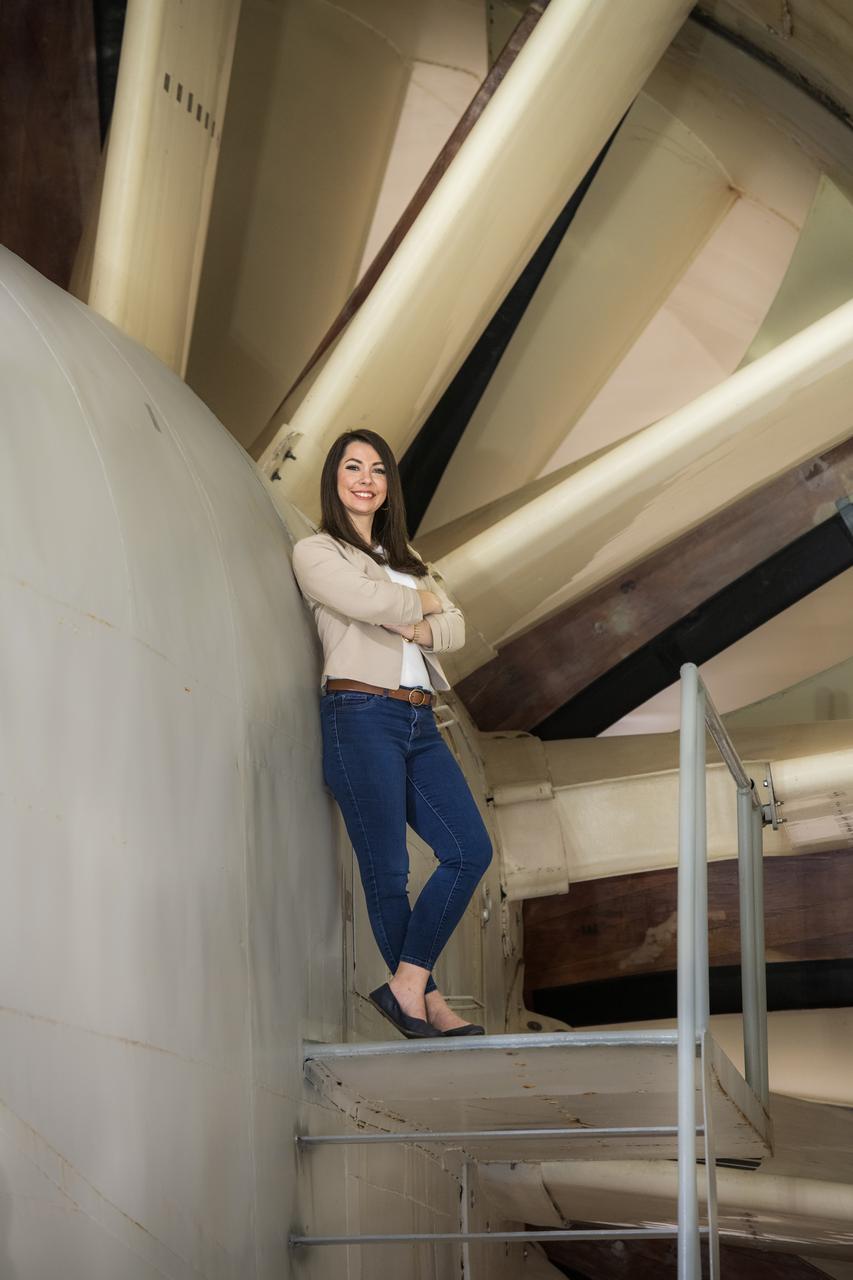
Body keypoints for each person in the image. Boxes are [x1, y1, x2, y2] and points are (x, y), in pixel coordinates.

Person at [291, 429, 493, 1039]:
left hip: (419, 720)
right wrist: (421, 606)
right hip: (359, 714)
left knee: (469, 849)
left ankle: (407, 986)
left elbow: (456, 628)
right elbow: (359, 599)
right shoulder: (316, 551)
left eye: (377, 470)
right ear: (334, 479)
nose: (365, 479)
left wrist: (416, 615)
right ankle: (425, 1001)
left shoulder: (410, 562)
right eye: (353, 467)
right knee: (388, 869)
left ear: (389, 486)